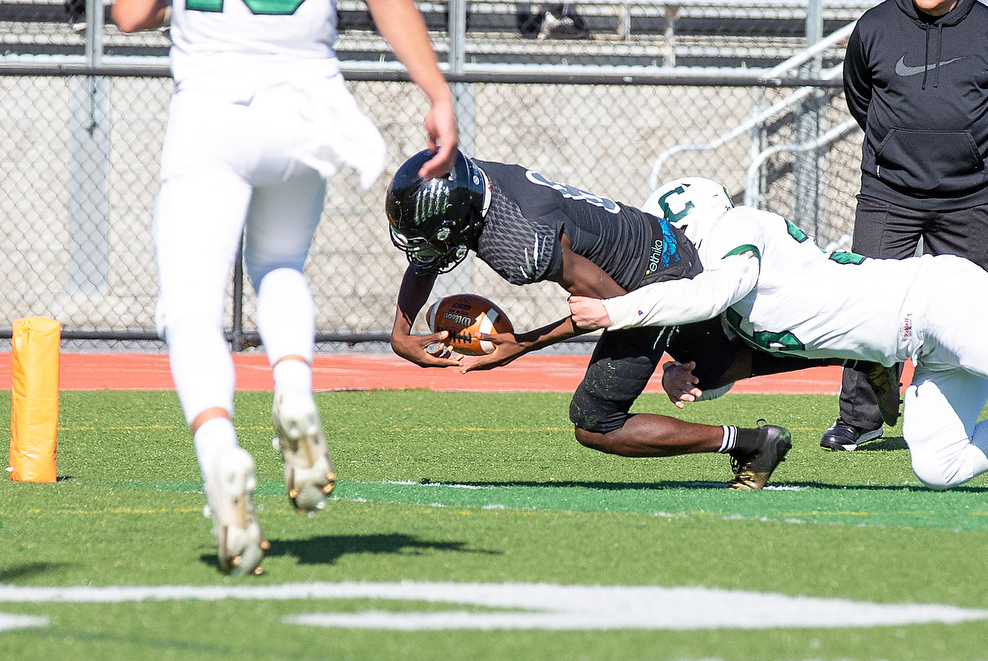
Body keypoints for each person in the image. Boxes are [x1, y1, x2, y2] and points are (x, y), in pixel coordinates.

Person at [112, 0, 458, 575]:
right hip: (305, 109)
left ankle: (219, 450)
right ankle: (294, 391)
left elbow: (129, 14)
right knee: (280, 265)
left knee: (191, 310)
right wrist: (438, 93)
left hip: (213, 107)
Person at [386, 150, 809, 492]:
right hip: (655, 243)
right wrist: (400, 333)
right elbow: (429, 256)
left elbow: (611, 305)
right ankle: (840, 358)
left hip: (651, 277)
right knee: (710, 368)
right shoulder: (473, 178)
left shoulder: (520, 243)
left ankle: (752, 443)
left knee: (596, 422)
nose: (422, 249)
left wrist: (523, 344)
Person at [568, 177, 988, 489]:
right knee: (939, 465)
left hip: (937, 301)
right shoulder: (727, 287)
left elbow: (709, 296)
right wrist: (678, 372)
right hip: (925, 349)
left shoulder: (737, 230)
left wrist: (614, 311)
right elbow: (721, 374)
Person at [826, 0, 988, 451]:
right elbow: (860, 98)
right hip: (888, 194)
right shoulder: (875, 25)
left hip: (968, 199)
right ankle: (860, 419)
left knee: (963, 315)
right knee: (867, 307)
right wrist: (893, 147)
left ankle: (945, 421)